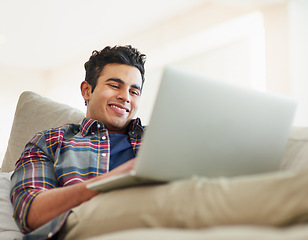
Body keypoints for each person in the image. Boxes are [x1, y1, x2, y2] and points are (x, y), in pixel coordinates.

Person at [10, 45, 147, 238]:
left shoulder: (157, 139)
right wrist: (119, 177)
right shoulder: (50, 141)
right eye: (115, 86)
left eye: (134, 92)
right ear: (87, 91)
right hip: (81, 228)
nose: (125, 97)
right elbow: (30, 211)